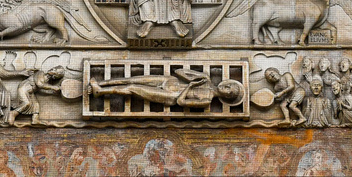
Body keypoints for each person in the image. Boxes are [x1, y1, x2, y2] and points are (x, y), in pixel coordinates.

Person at [88, 67, 244, 109]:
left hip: (170, 96)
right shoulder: (205, 79)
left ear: (226, 97)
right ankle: (101, 83)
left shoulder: (206, 100)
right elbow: (179, 72)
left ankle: (100, 92)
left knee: (133, 87)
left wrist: (189, 87)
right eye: (229, 86)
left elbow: (182, 103)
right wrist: (196, 78)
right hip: (169, 81)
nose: (227, 88)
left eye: (230, 92)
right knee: (132, 78)